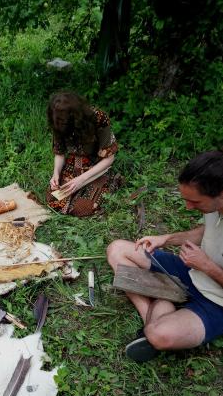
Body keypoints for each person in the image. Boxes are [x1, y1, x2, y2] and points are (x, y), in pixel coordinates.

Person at [107, 151, 223, 362]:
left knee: (160, 335)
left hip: (216, 302)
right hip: (192, 272)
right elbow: (206, 231)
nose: (188, 207)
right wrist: (165, 239)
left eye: (195, 202)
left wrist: (207, 265)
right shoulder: (215, 207)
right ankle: (155, 310)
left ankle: (158, 314)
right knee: (117, 249)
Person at [46, 92, 119, 217]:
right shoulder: (57, 121)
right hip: (74, 164)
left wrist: (81, 180)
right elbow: (60, 153)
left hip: (98, 166)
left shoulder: (98, 118)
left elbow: (109, 158)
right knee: (53, 200)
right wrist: (56, 174)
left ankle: (112, 180)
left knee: (82, 207)